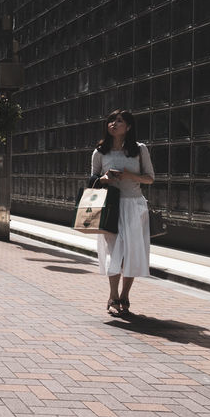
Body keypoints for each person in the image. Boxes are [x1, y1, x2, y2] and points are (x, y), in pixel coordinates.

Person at [90, 109, 155, 317]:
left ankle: (125, 296)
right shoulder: (100, 152)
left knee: (131, 254)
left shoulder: (139, 149)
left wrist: (129, 175)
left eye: (118, 121)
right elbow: (92, 180)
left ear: (128, 127)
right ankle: (112, 296)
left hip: (135, 206)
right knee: (114, 253)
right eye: (110, 121)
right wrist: (104, 179)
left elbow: (150, 178)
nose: (113, 124)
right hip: (111, 207)